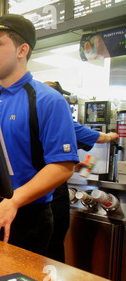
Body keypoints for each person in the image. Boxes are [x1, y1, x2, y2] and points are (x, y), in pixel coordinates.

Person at [0, 14, 79, 256]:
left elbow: (63, 166)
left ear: (22, 50)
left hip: (26, 216)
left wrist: (13, 202)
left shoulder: (48, 100)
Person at [44, 81, 119, 262]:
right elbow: (98, 137)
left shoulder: (31, 117)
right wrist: (113, 136)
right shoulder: (60, 118)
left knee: (38, 249)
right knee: (52, 249)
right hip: (52, 194)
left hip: (31, 195)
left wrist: (73, 165)